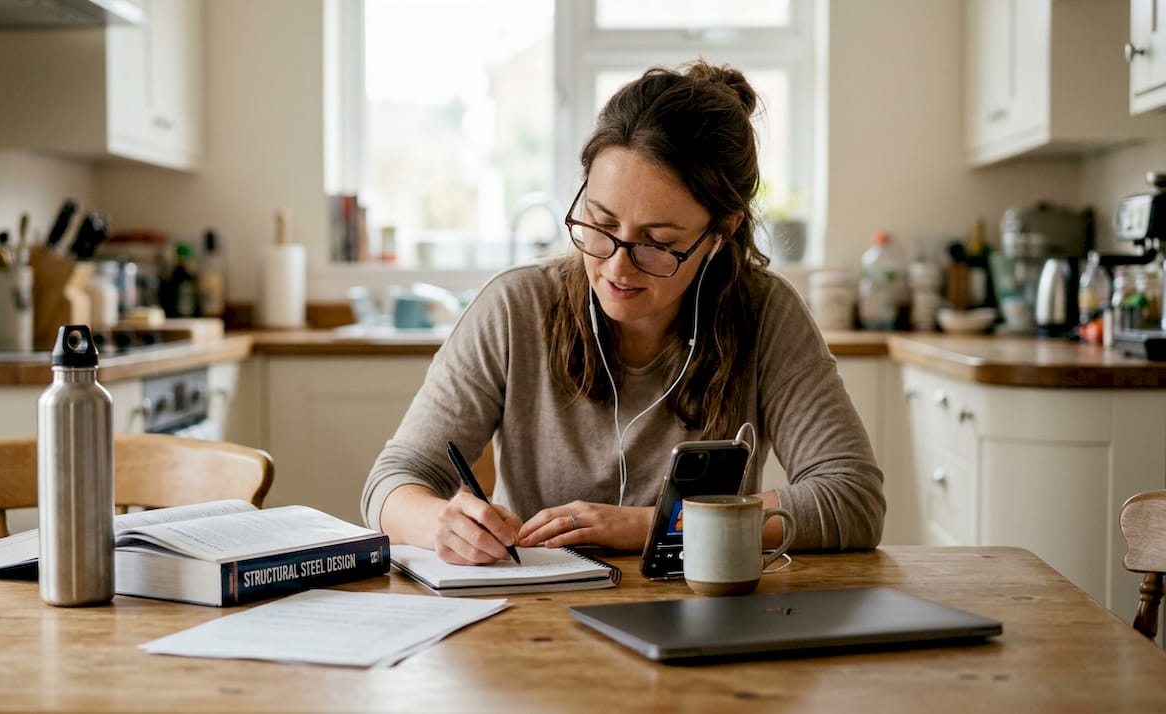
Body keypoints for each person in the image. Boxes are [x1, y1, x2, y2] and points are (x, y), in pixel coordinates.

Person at [362, 60, 885, 565]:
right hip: (535, 610)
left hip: (704, 611)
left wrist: (649, 525)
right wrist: (441, 524)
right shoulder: (513, 308)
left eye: (657, 242)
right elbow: (392, 482)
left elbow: (851, 498)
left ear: (720, 233)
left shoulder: (766, 314)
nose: (617, 266)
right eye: (601, 223)